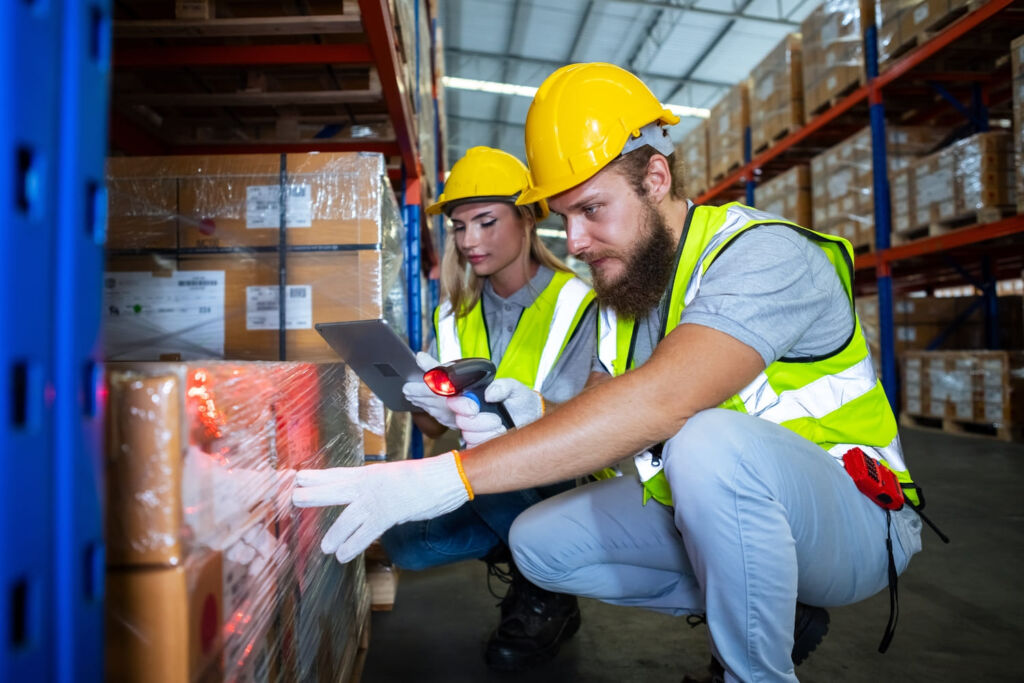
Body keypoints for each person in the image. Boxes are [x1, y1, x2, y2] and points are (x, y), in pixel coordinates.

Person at [293, 64, 926, 683]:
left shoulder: (762, 254)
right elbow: (598, 417)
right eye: (562, 217)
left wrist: (446, 476)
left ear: (655, 177)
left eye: (592, 210)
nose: (573, 241)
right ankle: (769, 602)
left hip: (859, 517)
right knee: (539, 544)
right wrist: (518, 420)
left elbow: (664, 399)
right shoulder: (626, 297)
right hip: (727, 512)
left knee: (709, 442)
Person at [380, 146, 599, 671]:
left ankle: (545, 590)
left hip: (562, 477)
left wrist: (527, 415)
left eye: (485, 221)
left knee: (493, 479)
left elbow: (589, 428)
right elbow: (437, 428)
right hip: (482, 474)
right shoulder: (452, 315)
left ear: (526, 220)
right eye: (458, 227)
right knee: (406, 547)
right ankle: (531, 554)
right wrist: (416, 400)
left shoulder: (577, 303)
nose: (469, 241)